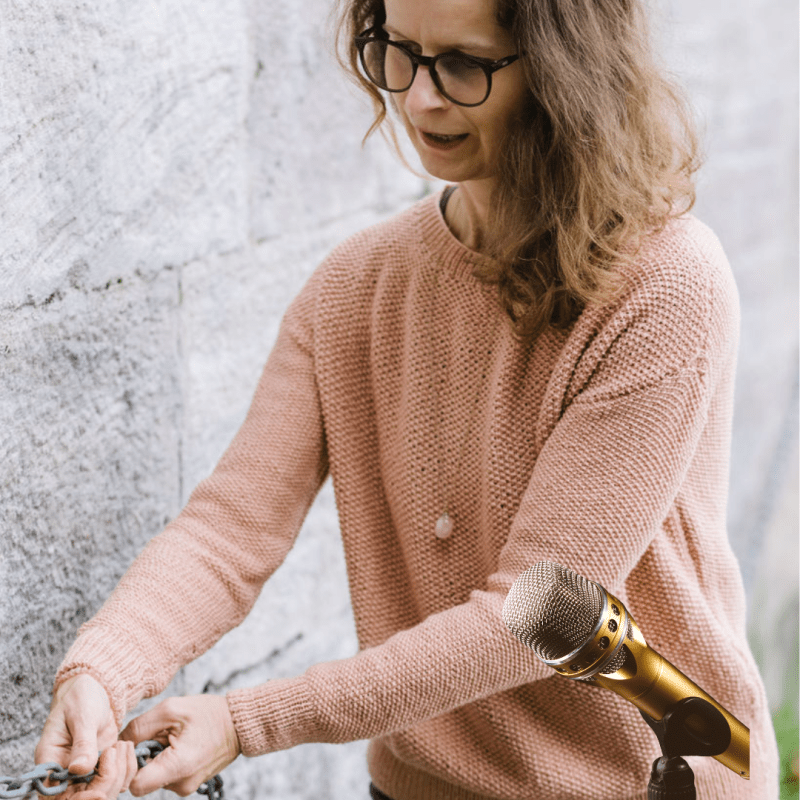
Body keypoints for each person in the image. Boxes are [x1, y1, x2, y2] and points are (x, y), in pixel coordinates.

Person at [34, 0, 779, 797]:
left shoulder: (664, 285)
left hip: (646, 778)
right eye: (399, 50)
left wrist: (249, 722)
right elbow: (231, 529)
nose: (420, 97)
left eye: (463, 64)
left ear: (562, 71)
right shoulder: (354, 289)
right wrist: (104, 669)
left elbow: (539, 613)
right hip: (423, 783)